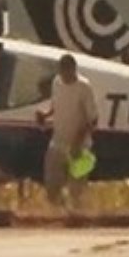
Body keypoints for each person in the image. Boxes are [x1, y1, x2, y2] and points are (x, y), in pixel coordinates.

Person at [35, 54, 98, 212]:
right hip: (58, 142)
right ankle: (60, 214)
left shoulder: (84, 87)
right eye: (63, 71)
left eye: (68, 71)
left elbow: (93, 119)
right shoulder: (57, 83)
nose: (65, 75)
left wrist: (78, 140)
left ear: (74, 69)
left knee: (76, 190)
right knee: (52, 184)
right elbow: (56, 105)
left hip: (79, 147)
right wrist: (45, 114)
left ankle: (78, 217)